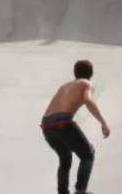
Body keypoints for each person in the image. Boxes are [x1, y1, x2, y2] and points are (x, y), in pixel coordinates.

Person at [41, 60, 110, 194]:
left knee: (65, 158)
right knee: (87, 155)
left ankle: (62, 192)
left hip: (47, 125)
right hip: (62, 123)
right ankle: (80, 190)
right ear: (91, 74)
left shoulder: (64, 86)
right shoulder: (86, 83)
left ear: (75, 73)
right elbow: (88, 101)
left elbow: (51, 107)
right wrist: (103, 122)